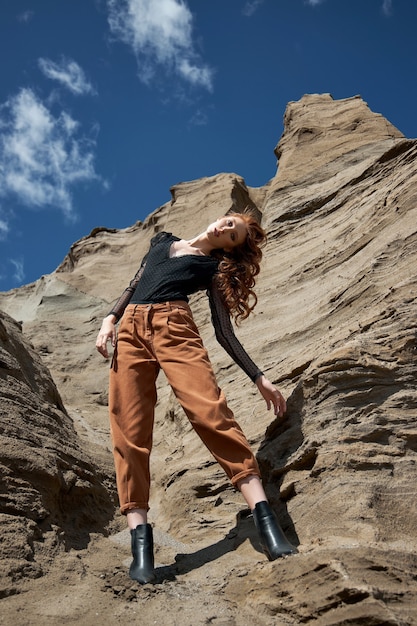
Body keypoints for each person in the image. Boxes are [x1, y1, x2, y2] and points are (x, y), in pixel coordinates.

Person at [96, 210, 297, 584]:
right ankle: (141, 546)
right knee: (128, 432)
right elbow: (135, 282)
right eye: (229, 222)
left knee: (210, 413)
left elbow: (223, 331)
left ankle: (266, 520)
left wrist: (259, 377)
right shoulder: (162, 241)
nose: (224, 228)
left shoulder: (212, 269)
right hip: (129, 333)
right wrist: (110, 319)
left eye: (232, 235)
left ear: (229, 249)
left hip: (175, 328)